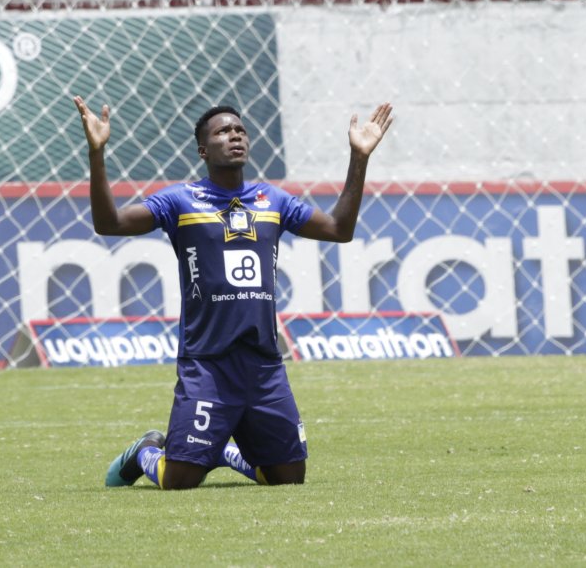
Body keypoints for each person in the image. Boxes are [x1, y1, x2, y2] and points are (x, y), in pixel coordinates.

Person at [74, 95, 393, 489]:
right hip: (207, 363)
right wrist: (97, 153)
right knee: (180, 480)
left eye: (240, 130)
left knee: (289, 478)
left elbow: (338, 230)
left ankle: (225, 452)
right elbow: (110, 224)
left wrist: (359, 157)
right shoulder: (179, 200)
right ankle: (145, 452)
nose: (235, 136)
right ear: (204, 150)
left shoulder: (273, 200)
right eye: (223, 131)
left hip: (263, 365)